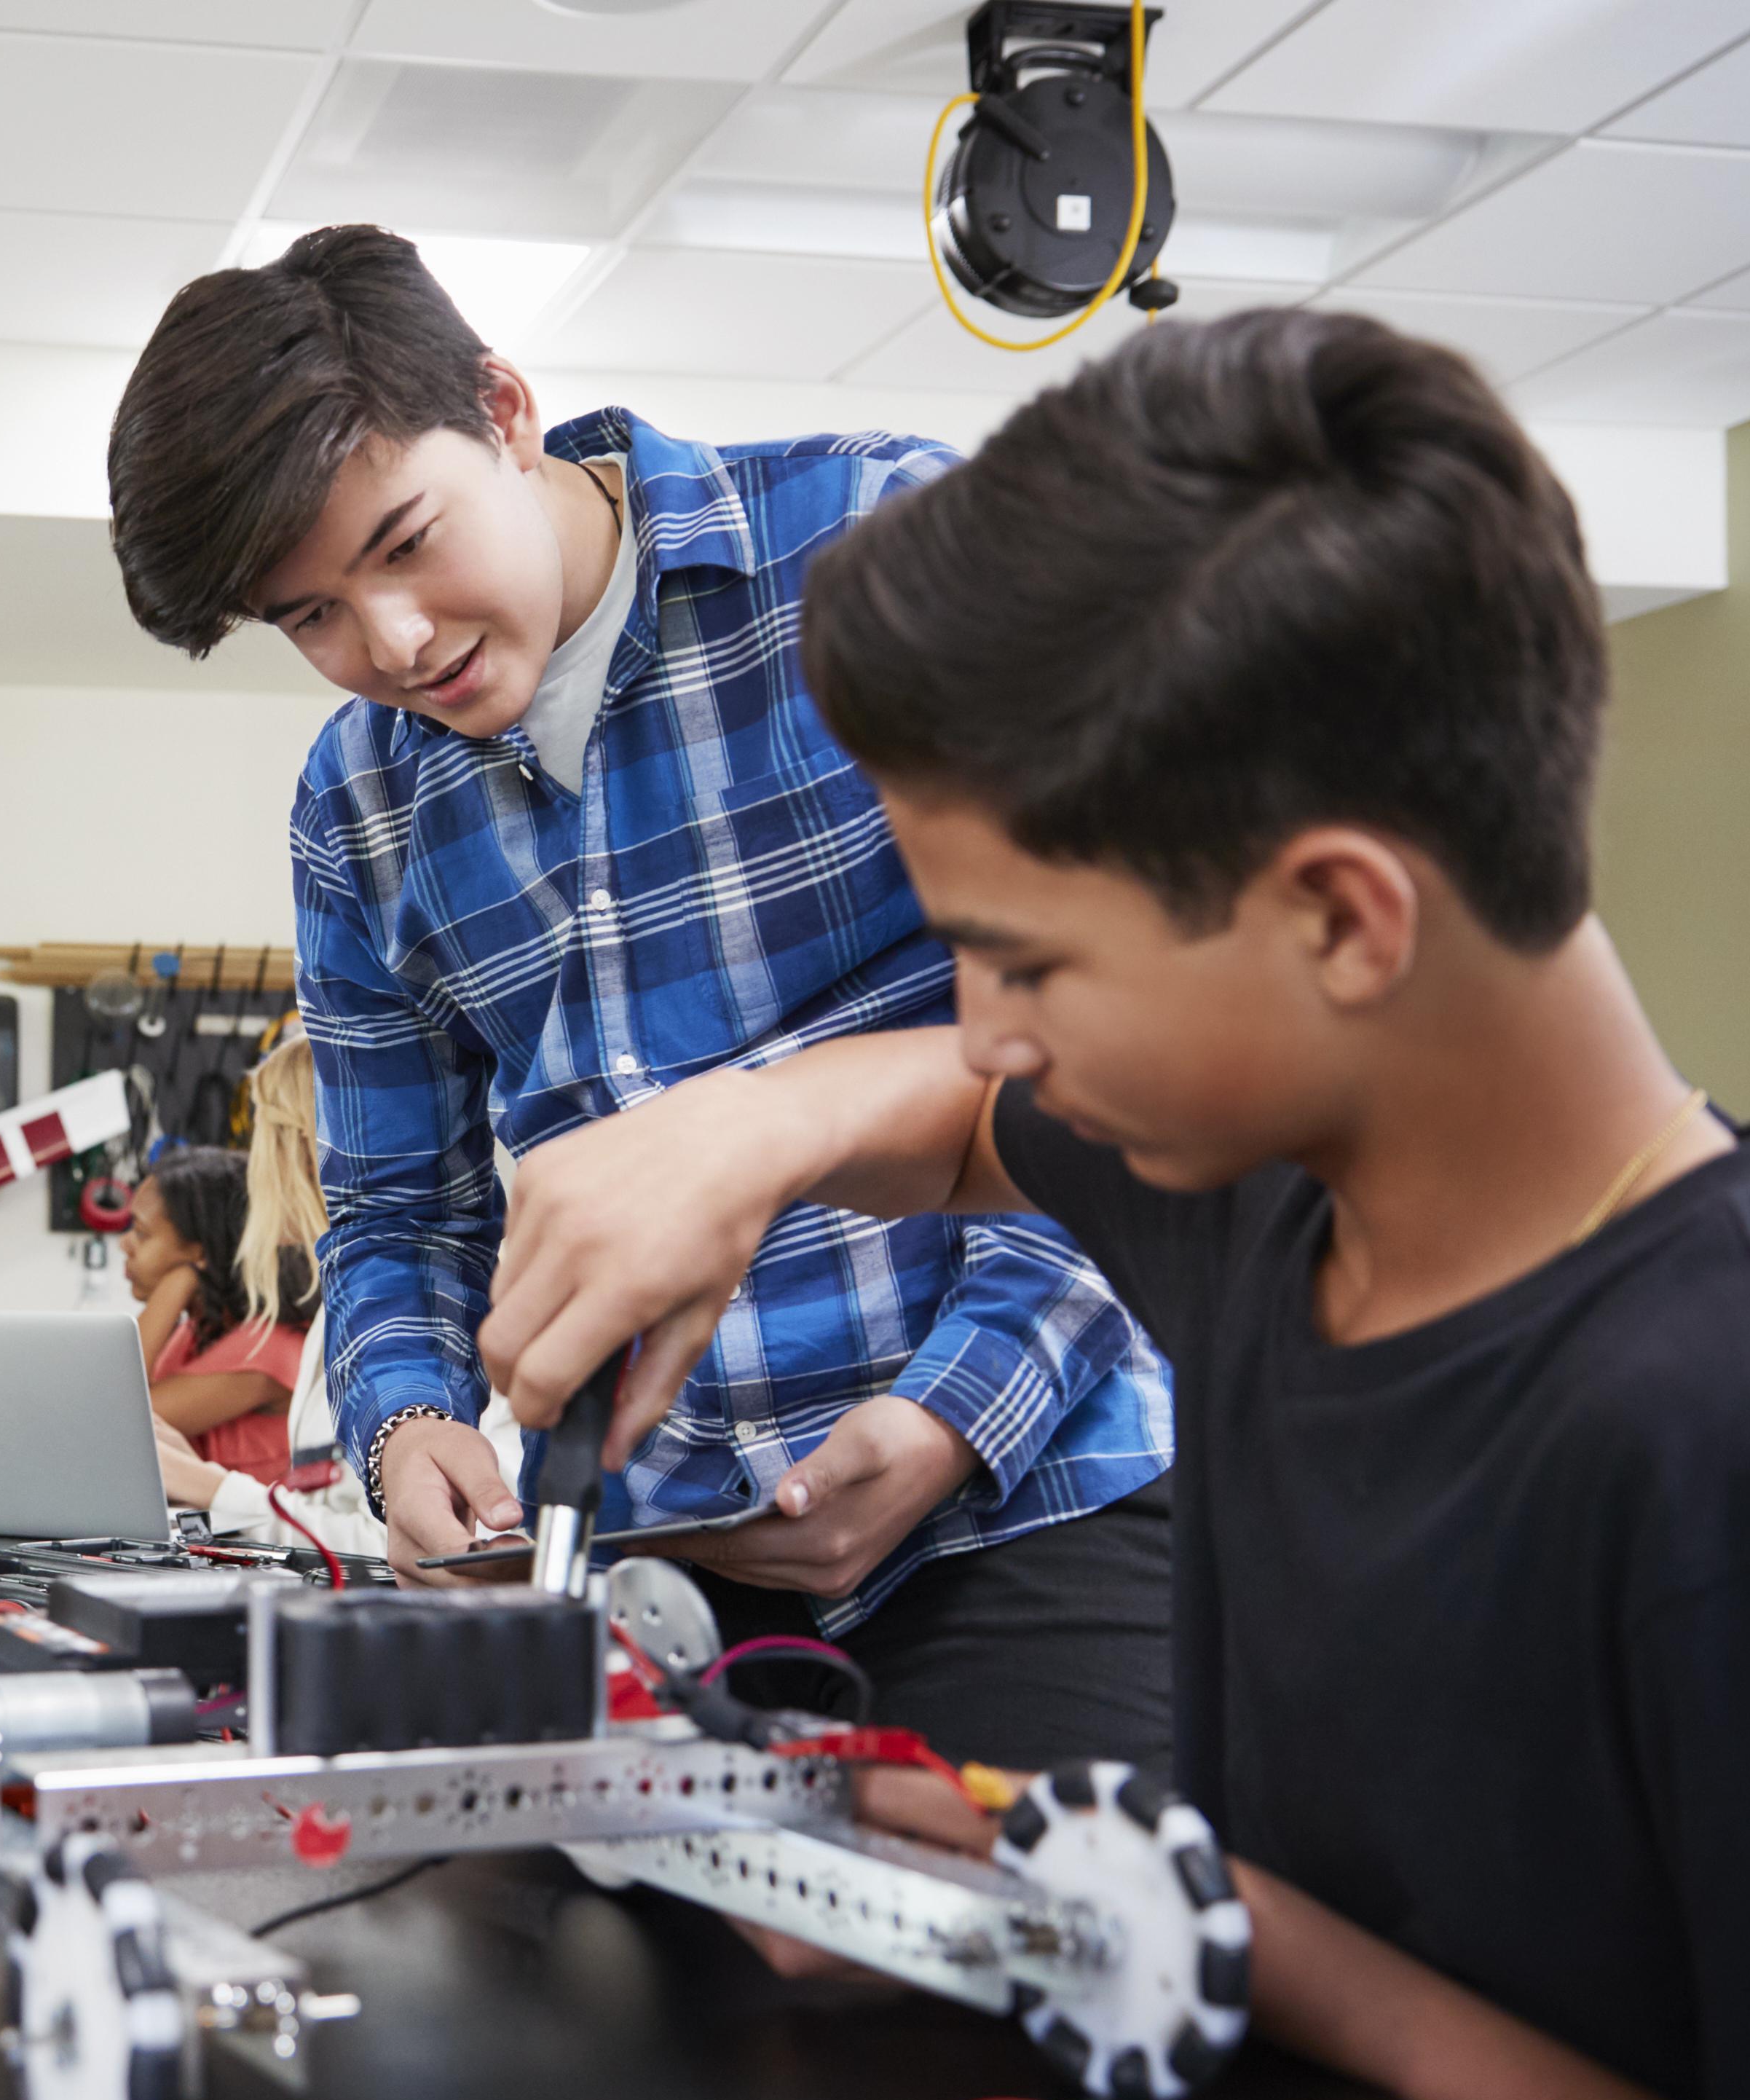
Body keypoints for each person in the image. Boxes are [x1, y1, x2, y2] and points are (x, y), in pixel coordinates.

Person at [475, 310, 1750, 2100]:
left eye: (1022, 959)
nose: (990, 1026)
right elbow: (958, 1122)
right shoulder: (1273, 1183)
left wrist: (1265, 1956)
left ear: (1337, 918)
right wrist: (740, 1128)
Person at [106, 225, 1175, 1769]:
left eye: (404, 543)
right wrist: (409, 1428)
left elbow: (1141, 1052)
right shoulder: (353, 808)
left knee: (1048, 1964)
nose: (388, 644)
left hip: (1026, 1498)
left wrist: (954, 1416)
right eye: (309, 618)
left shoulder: (882, 541)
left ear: (503, 406)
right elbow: (394, 1214)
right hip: (647, 1568)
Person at [155, 1037, 515, 1559]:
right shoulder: (339, 1312)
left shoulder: (459, 1301)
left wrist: (214, 1491)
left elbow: (434, 1546)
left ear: (301, 1146)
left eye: (262, 1137)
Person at [124, 1145, 312, 1487]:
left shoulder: (267, 1348)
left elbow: (119, 1421)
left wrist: (176, 1284)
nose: (126, 1245)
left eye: (141, 1232)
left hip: (251, 1539)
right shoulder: (200, 1329)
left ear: (201, 1249)